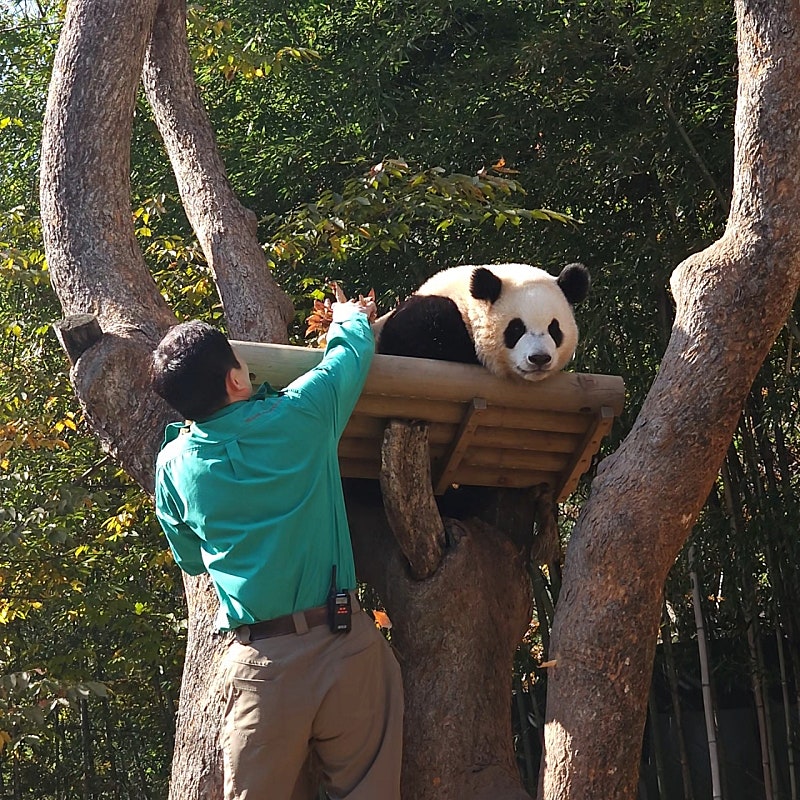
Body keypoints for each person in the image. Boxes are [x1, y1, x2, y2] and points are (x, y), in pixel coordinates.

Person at [150, 294, 403, 800]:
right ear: (236, 379)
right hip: (345, 643)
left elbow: (192, 558)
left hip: (262, 666)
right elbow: (349, 353)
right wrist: (348, 314)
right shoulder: (303, 414)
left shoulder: (172, 467)